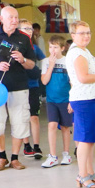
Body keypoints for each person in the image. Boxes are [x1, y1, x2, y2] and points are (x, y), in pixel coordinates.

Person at [0, 6, 38, 171]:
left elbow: (32, 64)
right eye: (11, 17)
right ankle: (2, 157)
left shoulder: (25, 38)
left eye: (16, 17)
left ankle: (14, 158)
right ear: (2, 18)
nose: (14, 20)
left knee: (19, 123)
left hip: (19, 88)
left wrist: (22, 59)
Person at [66, 21, 95, 188]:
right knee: (84, 140)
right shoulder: (77, 53)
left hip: (91, 99)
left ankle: (90, 172)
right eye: (81, 33)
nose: (86, 36)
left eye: (88, 32)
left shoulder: (84, 51)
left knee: (90, 139)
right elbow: (83, 77)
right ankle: (82, 175)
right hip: (84, 101)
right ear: (73, 36)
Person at [40, 36, 73, 168]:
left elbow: (72, 83)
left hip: (65, 100)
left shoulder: (68, 61)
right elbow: (44, 81)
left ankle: (66, 154)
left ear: (62, 48)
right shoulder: (45, 61)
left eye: (55, 47)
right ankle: (53, 156)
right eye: (50, 47)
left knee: (65, 127)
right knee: (52, 125)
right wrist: (51, 65)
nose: (52, 50)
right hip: (51, 100)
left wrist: (72, 101)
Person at [18, 20, 46, 160]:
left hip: (34, 86)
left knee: (34, 117)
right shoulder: (15, 47)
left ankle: (36, 146)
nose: (29, 31)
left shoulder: (35, 48)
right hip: (19, 87)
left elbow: (44, 60)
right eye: (25, 28)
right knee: (23, 118)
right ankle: (26, 145)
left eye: (30, 28)